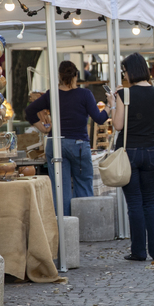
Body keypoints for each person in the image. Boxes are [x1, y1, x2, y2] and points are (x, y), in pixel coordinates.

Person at [26, 60, 112, 216]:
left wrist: (44, 128)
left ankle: (65, 230)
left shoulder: (52, 94)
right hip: (78, 144)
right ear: (76, 75)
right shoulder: (85, 94)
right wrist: (109, 105)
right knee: (83, 185)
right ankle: (85, 226)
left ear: (59, 76)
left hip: (55, 143)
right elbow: (99, 119)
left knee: (60, 188)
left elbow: (30, 111)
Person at [112, 53, 154, 262]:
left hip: (129, 152)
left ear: (130, 71)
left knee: (134, 202)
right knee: (149, 202)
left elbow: (118, 126)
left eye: (124, 71)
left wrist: (112, 105)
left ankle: (138, 251)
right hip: (151, 150)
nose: (124, 74)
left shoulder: (123, 94)